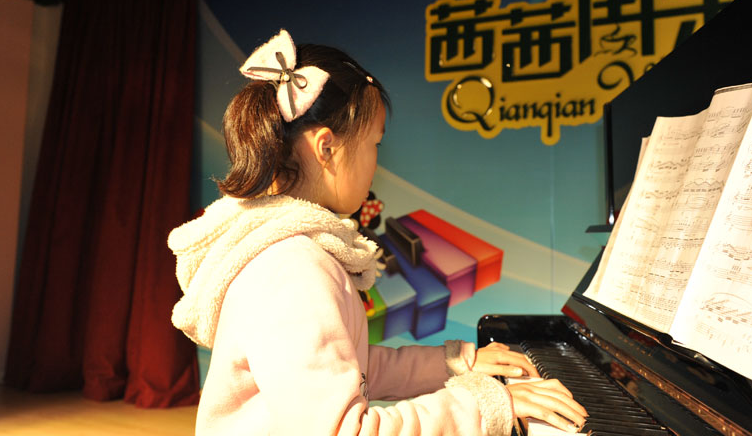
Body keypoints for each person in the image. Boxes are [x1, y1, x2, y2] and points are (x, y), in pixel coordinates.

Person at [169, 30, 588, 435]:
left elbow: (356, 367)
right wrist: (487, 405)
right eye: (375, 144)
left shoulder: (294, 254)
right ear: (326, 148)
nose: (376, 163)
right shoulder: (293, 270)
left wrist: (458, 363)